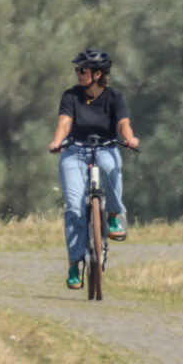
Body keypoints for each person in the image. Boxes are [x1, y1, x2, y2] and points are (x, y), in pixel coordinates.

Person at [47, 48, 139, 289]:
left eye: (83, 70)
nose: (78, 74)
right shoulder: (71, 96)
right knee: (75, 209)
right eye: (77, 70)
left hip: (106, 148)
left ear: (98, 74)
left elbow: (123, 123)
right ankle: (74, 264)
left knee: (111, 169)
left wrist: (130, 138)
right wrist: (57, 141)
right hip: (74, 152)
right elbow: (64, 122)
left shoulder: (114, 98)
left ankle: (112, 216)